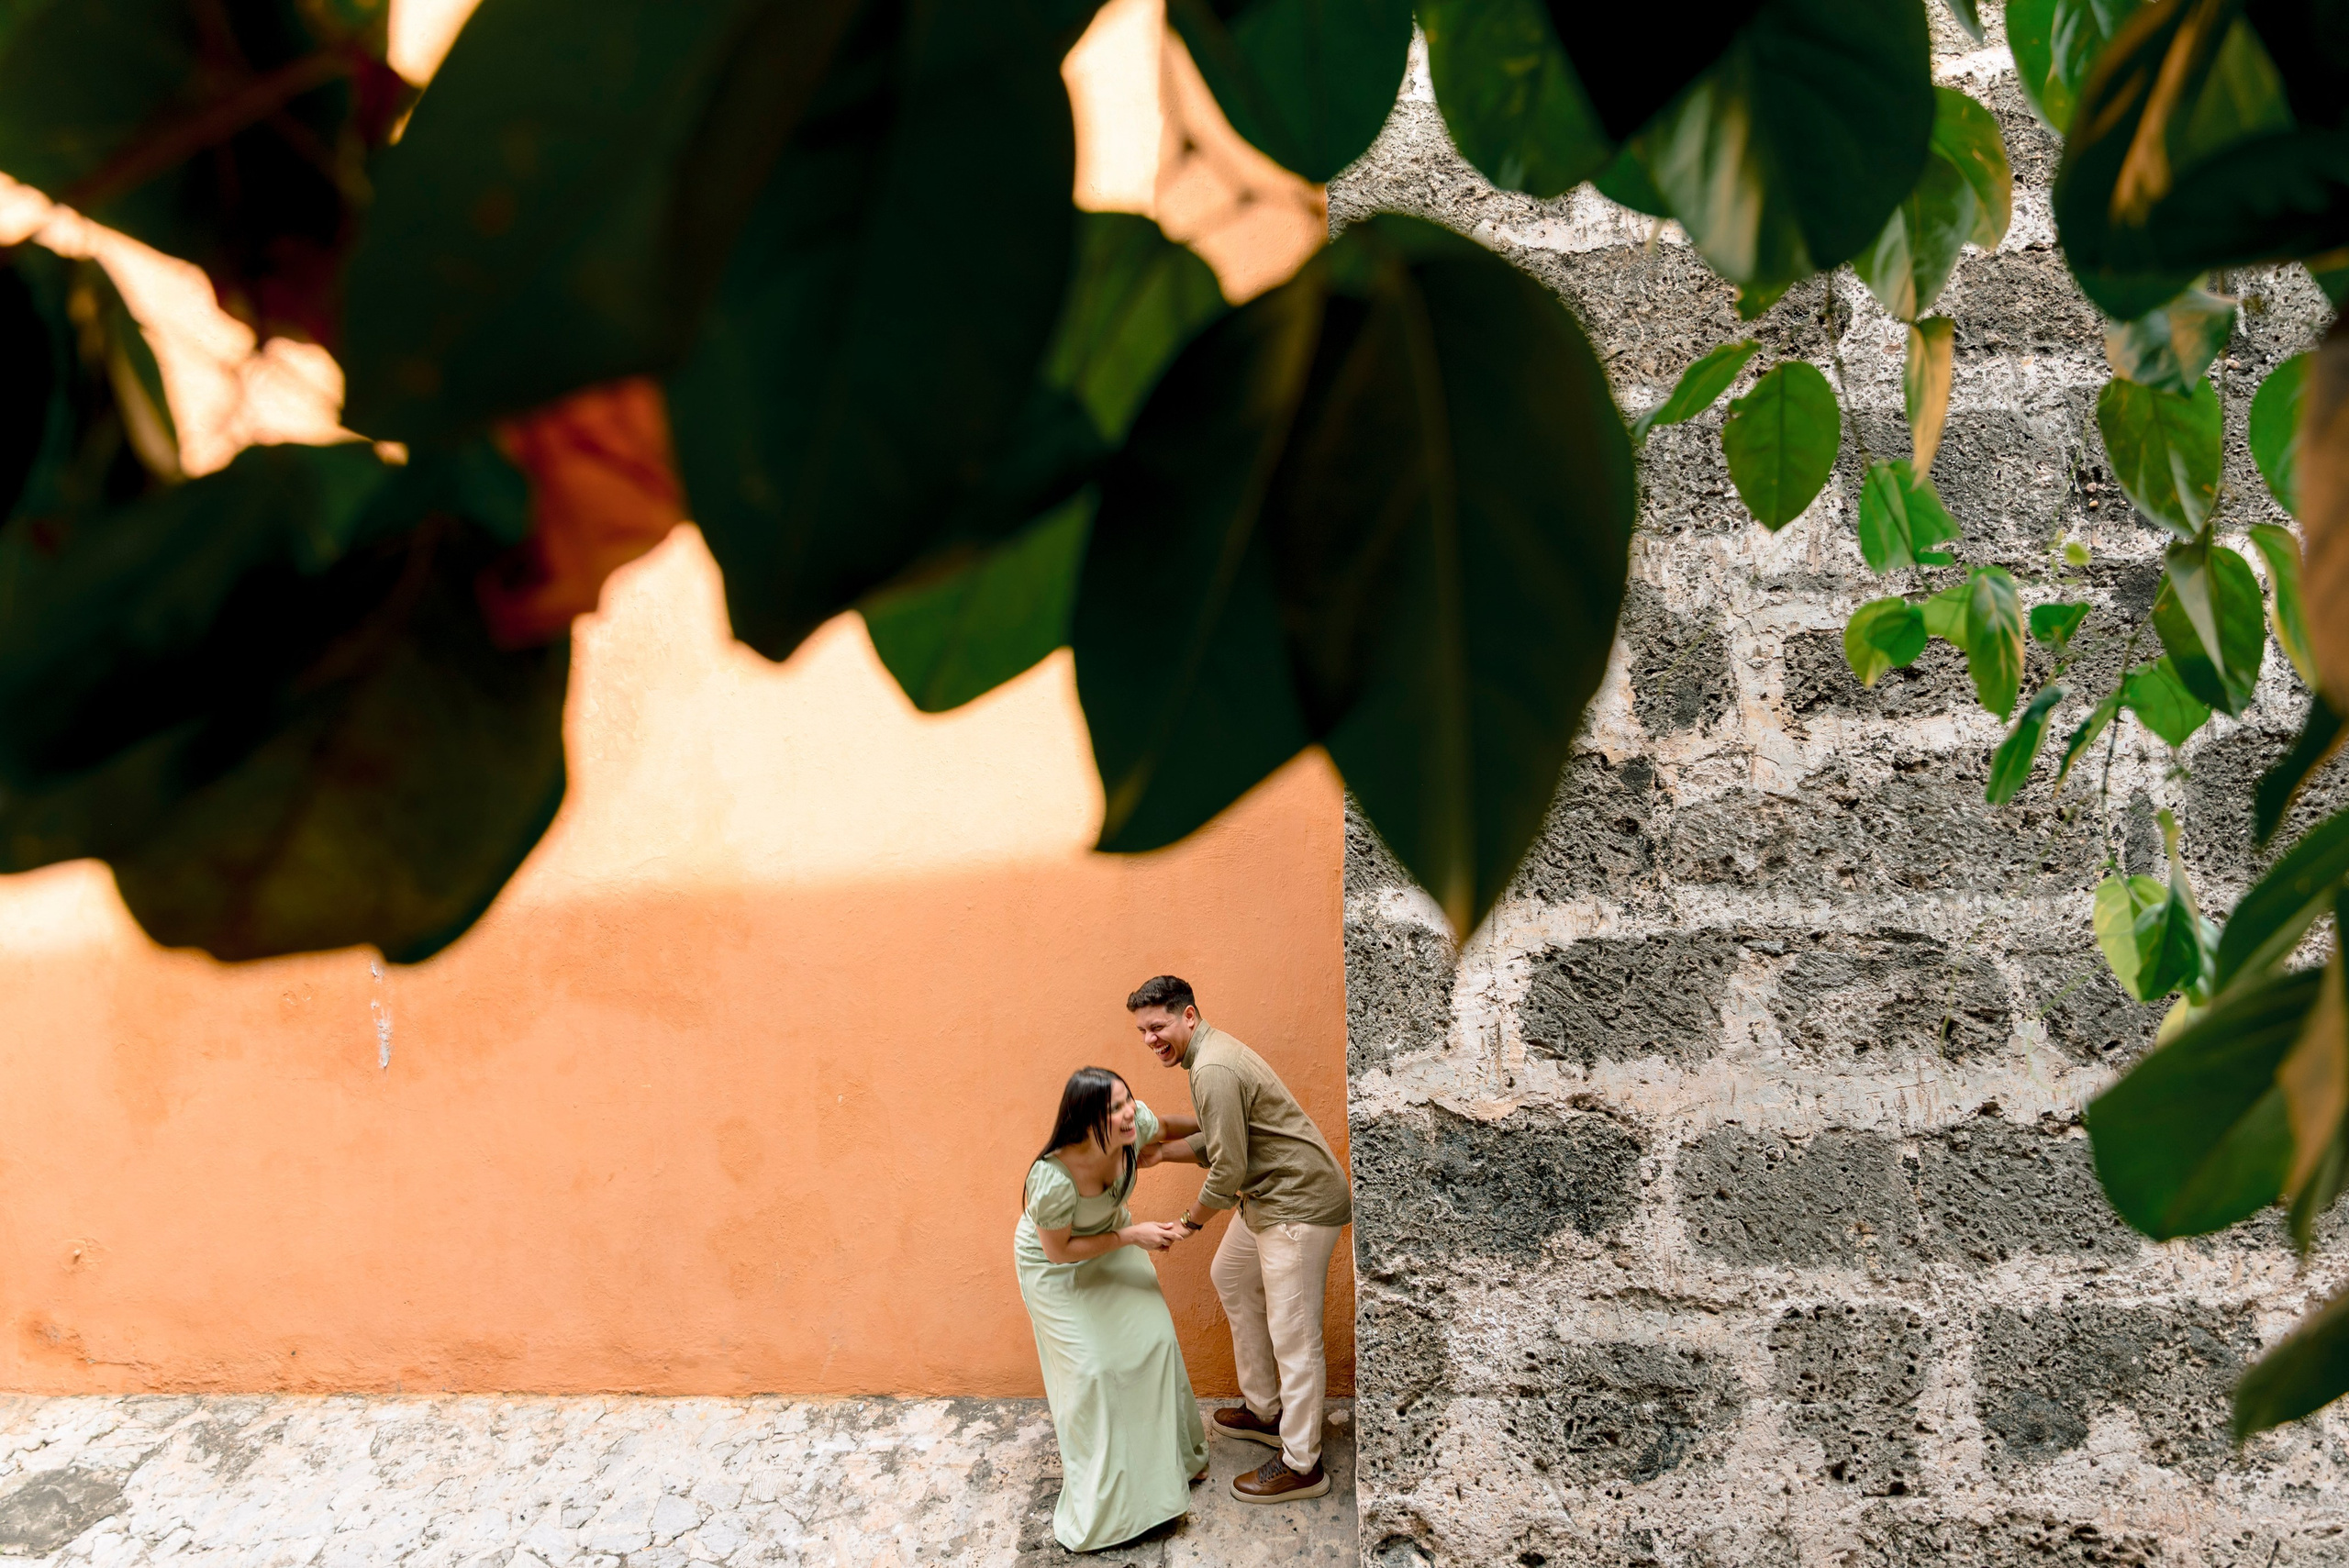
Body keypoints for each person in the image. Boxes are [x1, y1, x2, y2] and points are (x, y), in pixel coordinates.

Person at [1127, 974, 1353, 1504]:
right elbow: (1223, 1132)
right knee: (1229, 1274)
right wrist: (1160, 1144)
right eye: (1141, 1030)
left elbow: (1228, 1167)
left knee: (1295, 1335)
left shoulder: (1213, 1067)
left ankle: (1303, 1463)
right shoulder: (1205, 1060)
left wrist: (1189, 1222)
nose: (1149, 1039)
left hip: (1297, 1203)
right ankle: (1266, 1411)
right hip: (1267, 1198)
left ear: (1188, 1015)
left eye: (1157, 1026)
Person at [1014, 1065, 1208, 1551]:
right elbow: (1058, 1252)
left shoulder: (1133, 1124)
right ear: (1083, 1122)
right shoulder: (1052, 1179)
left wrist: (1220, 1125)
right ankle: (1108, 1504)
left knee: (1157, 1342)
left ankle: (1176, 1464)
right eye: (1115, 1108)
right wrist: (1132, 1236)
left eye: (1128, 1100)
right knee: (1096, 1371)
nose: (1129, 1113)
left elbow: (1163, 1127)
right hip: (1056, 1266)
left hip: (1115, 1240)